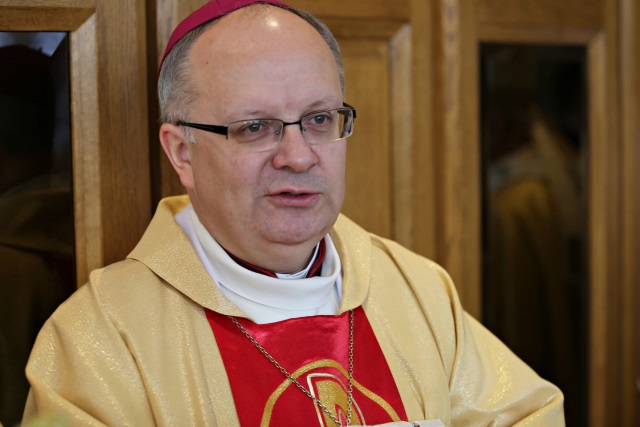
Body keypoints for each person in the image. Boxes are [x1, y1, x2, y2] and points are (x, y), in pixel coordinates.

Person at [22, 1, 565, 425]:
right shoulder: (103, 340)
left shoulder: (417, 292)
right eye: (255, 127)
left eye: (319, 119)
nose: (299, 156)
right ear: (182, 153)